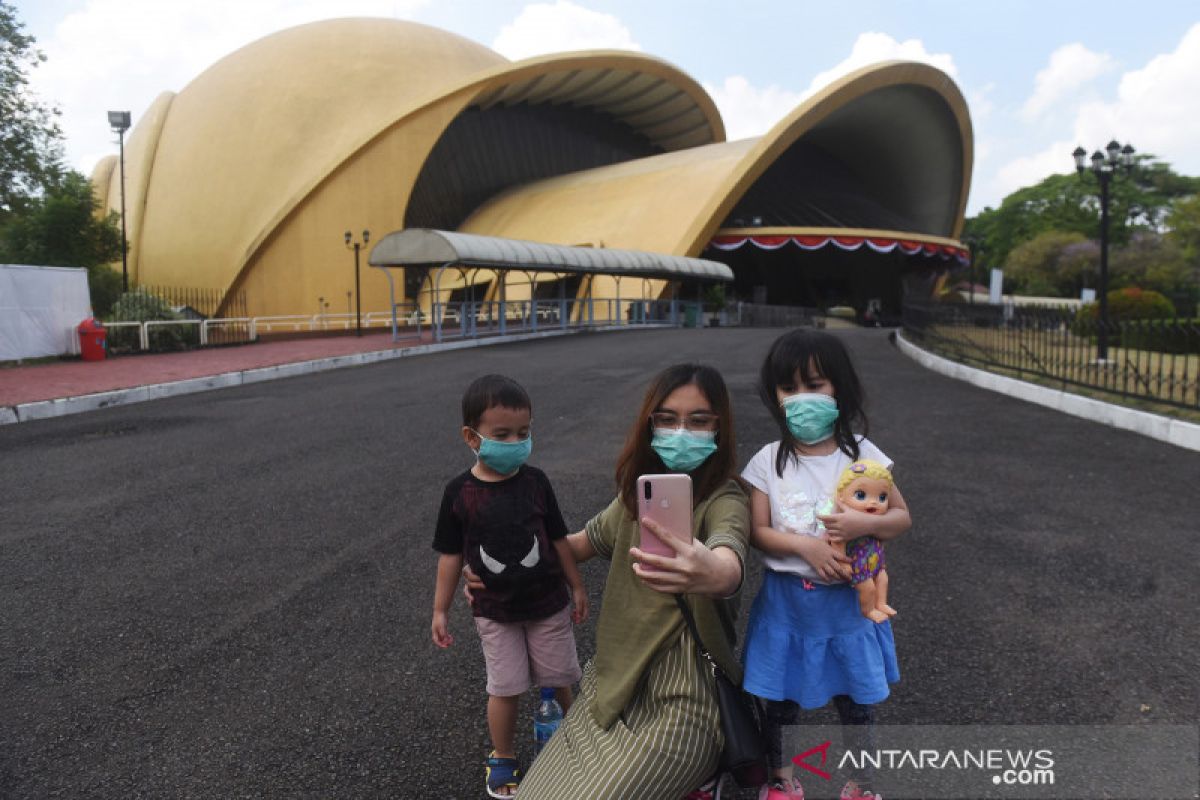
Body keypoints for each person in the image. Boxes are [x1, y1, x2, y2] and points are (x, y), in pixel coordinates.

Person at [476, 363, 750, 800]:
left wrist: (711, 569)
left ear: (720, 427)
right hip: (613, 686)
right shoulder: (632, 501)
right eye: (667, 418)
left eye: (698, 420)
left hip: (684, 697)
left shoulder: (726, 499)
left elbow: (728, 557)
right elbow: (579, 544)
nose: (681, 431)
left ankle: (705, 772)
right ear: (649, 424)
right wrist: (500, 563)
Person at [741, 329, 911, 800]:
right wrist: (806, 548)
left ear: (840, 388)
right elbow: (757, 531)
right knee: (781, 703)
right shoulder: (767, 461)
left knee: (857, 702)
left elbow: (900, 518)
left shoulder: (862, 455)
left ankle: (861, 784)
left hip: (848, 607)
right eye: (789, 388)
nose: (802, 398)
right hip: (789, 606)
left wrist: (859, 525)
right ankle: (782, 781)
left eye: (815, 385)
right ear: (773, 395)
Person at [430, 374, 588, 799]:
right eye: (503, 435)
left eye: (524, 432)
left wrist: (577, 585)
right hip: (495, 611)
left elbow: (558, 538)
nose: (516, 442)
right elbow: (450, 555)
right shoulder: (458, 493)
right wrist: (440, 610)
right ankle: (502, 757)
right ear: (471, 436)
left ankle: (581, 744)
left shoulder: (536, 482)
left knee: (559, 677)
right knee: (505, 687)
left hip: (548, 603)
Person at [834, 460, 898, 623]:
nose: (874, 502)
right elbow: (837, 541)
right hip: (858, 565)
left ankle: (881, 603)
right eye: (861, 495)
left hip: (875, 562)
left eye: (882, 497)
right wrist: (843, 563)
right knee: (868, 587)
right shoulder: (845, 522)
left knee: (883, 580)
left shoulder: (876, 520)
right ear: (841, 496)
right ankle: (868, 609)